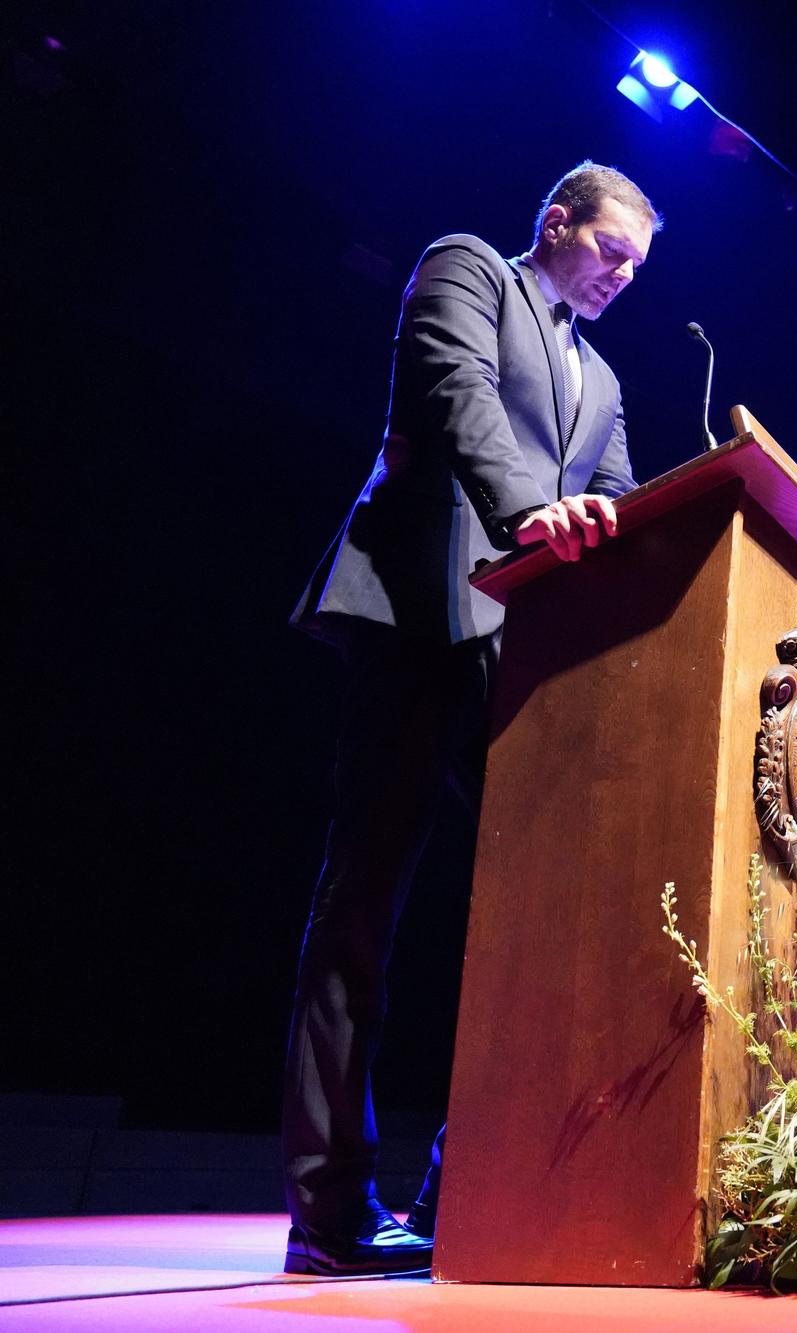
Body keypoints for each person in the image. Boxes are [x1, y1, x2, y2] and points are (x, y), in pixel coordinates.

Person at [281, 162, 660, 1275]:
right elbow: (455, 398)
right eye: (610, 253)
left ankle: (467, 1186)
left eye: (636, 269)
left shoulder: (606, 384)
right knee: (364, 902)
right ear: (557, 224)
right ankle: (328, 1208)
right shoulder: (467, 269)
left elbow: (629, 515)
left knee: (554, 923)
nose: (621, 279)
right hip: (413, 617)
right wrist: (532, 511)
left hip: (521, 661)